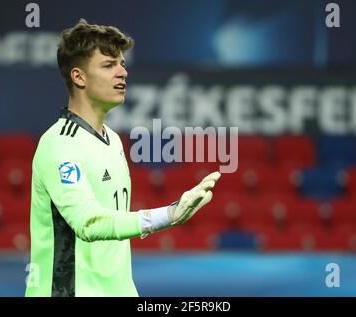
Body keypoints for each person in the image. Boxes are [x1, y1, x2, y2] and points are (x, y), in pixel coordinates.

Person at [25, 19, 221, 297]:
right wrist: (168, 215)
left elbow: (111, 244)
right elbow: (89, 223)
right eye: (108, 65)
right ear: (79, 77)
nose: (122, 73)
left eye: (122, 64)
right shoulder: (58, 144)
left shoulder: (113, 140)